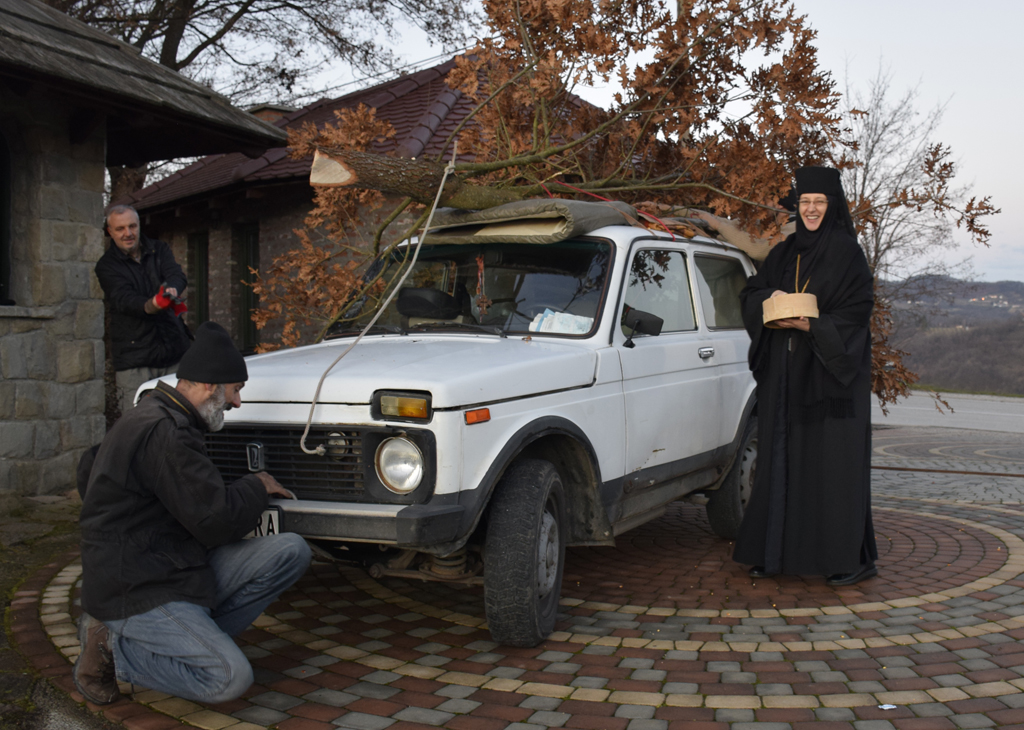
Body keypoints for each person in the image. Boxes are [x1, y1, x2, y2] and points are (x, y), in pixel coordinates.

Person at [74, 321, 311, 705]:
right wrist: (256, 485)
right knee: (228, 679)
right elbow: (216, 522)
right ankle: (112, 649)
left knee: (290, 551)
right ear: (210, 386)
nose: (237, 402)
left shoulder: (152, 412)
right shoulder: (167, 432)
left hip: (172, 565)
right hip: (139, 587)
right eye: (235, 390)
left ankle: (192, 640)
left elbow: (88, 468)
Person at [732, 166, 877, 587]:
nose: (811, 209)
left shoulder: (848, 254)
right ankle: (773, 554)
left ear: (832, 206)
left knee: (831, 469)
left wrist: (811, 325)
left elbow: (858, 312)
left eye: (820, 202)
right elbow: (750, 293)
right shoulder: (783, 253)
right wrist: (771, 297)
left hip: (830, 382)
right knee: (781, 461)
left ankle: (847, 560)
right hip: (785, 379)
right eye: (805, 202)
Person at [94, 205, 192, 414]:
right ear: (110, 232)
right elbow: (123, 299)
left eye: (132, 226)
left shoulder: (160, 249)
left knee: (181, 419)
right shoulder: (106, 266)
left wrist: (172, 288)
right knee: (137, 422)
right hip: (135, 362)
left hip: (174, 352)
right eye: (120, 229)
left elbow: (176, 275)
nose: (128, 233)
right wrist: (152, 305)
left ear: (139, 225)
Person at [688, 190, 797, 263]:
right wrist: (679, 211)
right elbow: (724, 222)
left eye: (764, 201)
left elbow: (758, 250)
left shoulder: (794, 231)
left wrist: (717, 225)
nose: (758, 207)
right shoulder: (767, 225)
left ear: (779, 205)